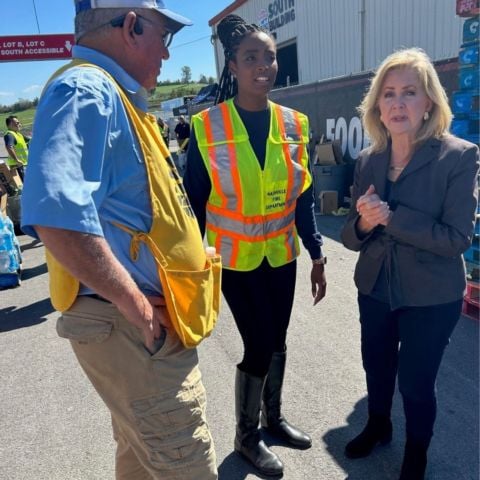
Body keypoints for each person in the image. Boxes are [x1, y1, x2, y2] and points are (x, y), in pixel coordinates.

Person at [20, 2, 219, 479]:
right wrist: (135, 304)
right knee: (184, 466)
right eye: (163, 37)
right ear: (131, 26)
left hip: (132, 331)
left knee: (142, 460)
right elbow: (58, 216)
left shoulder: (110, 95)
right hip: (133, 331)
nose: (167, 56)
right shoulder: (87, 89)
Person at [183, 14, 327, 477]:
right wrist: (189, 266)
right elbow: (192, 203)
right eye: (251, 58)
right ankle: (246, 437)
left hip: (282, 254)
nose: (263, 65)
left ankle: (273, 418)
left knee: (278, 339)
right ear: (233, 66)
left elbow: (302, 194)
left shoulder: (294, 124)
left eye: (269, 57)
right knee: (259, 343)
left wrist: (318, 251)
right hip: (235, 260)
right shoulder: (207, 127)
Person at [341, 48, 479, 480]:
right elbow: (350, 236)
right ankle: (378, 425)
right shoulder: (367, 159)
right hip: (375, 287)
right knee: (376, 367)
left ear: (429, 104)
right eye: (389, 94)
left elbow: (458, 238)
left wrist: (393, 219)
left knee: (417, 383)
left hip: (431, 296)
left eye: (409, 93)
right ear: (377, 106)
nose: (397, 103)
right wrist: (364, 223)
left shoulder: (459, 156)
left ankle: (417, 451)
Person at [4, 116, 29, 181]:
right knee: (25, 183)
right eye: (17, 123)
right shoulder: (10, 135)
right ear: (11, 124)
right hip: (17, 165)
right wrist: (17, 160)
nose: (19, 124)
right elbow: (9, 147)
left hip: (23, 163)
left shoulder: (18, 134)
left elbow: (30, 141)